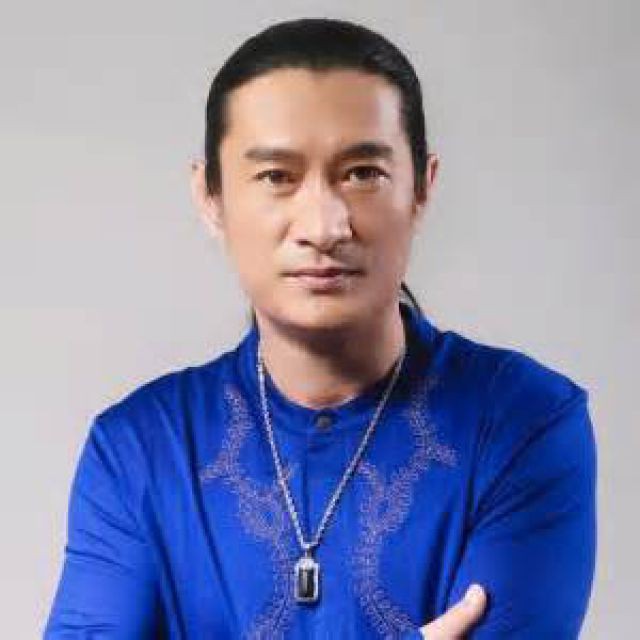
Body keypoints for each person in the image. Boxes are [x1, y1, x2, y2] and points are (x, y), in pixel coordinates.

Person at [43, 17, 597, 639]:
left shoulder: (522, 421)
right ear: (210, 196)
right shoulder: (140, 450)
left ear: (422, 186)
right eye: (276, 177)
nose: (324, 226)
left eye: (362, 173)